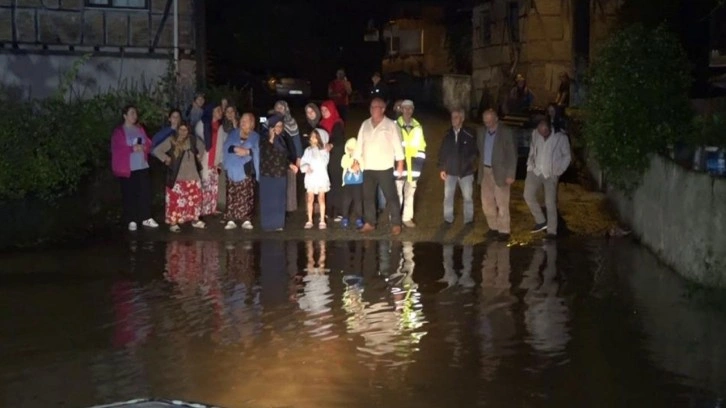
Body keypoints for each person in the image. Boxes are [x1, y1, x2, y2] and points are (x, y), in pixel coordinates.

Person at [353, 97, 405, 235]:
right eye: (371, 107)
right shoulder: (365, 124)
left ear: (382, 109)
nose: (372, 109)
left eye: (375, 107)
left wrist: (400, 164)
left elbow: (398, 145)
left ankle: (396, 223)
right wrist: (355, 161)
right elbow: (359, 144)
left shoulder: (390, 125)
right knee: (368, 197)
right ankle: (370, 222)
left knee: (391, 196)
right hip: (368, 167)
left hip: (385, 167)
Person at [111, 105, 159, 231]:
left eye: (135, 113)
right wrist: (131, 148)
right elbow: (118, 149)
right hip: (128, 168)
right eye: (132, 113)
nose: (134, 116)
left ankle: (146, 217)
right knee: (129, 193)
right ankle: (131, 219)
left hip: (142, 165)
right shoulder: (119, 132)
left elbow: (148, 143)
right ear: (125, 116)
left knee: (144, 192)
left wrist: (145, 147)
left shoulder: (140, 129)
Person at [152, 123, 207, 232]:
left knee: (194, 199)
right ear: (177, 130)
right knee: (175, 200)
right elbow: (157, 150)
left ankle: (195, 220)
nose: (183, 132)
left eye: (185, 129)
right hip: (177, 176)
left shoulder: (192, 139)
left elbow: (202, 146)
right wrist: (166, 159)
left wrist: (199, 155)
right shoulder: (171, 140)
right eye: (180, 129)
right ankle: (173, 222)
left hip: (193, 175)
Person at [524, 119, 571, 239]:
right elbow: (532, 149)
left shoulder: (560, 137)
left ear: (549, 129)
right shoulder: (536, 133)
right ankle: (540, 221)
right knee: (528, 195)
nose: (541, 134)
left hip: (550, 173)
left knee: (550, 202)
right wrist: (530, 165)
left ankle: (551, 231)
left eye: (543, 132)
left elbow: (567, 156)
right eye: (539, 132)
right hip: (535, 171)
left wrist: (559, 170)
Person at [477, 109, 517, 241]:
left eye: (489, 120)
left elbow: (512, 154)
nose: (486, 123)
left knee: (502, 203)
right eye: (485, 121)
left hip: (501, 172)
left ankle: (504, 231)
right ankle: (493, 227)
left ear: (496, 119)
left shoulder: (506, 132)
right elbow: (480, 151)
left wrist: (511, 173)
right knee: (487, 203)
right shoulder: (481, 132)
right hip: (485, 171)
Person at [437, 107, 478, 225]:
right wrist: (442, 168)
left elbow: (474, 153)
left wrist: (467, 166)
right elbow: (443, 152)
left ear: (462, 118)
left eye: (456, 117)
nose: (453, 120)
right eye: (452, 117)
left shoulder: (469, 134)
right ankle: (447, 218)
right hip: (450, 172)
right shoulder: (448, 134)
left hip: (466, 172)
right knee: (448, 197)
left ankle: (468, 220)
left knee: (468, 198)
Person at [259, 114, 298, 231]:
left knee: (279, 200)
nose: (279, 128)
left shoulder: (282, 139)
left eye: (281, 126)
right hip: (267, 174)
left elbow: (283, 156)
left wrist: (290, 164)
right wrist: (271, 139)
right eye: (276, 126)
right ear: (271, 127)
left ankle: (278, 223)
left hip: (280, 174)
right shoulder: (264, 138)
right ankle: (268, 224)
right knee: (268, 200)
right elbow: (265, 154)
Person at [223, 112, 260, 230]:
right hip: (233, 167)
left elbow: (258, 150)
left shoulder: (255, 136)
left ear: (251, 123)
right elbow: (226, 147)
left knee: (246, 194)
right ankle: (231, 218)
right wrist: (235, 148)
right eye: (242, 120)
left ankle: (246, 218)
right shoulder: (233, 134)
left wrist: (248, 152)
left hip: (246, 168)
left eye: (246, 120)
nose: (243, 122)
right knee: (232, 194)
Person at [395, 100, 426, 228]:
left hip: (413, 166)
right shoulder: (395, 125)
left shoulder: (418, 127)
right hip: (399, 164)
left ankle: (407, 218)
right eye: (405, 108)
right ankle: (396, 219)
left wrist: (419, 165)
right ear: (401, 110)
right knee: (397, 193)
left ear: (412, 110)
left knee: (410, 193)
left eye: (410, 109)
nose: (407, 111)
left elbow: (422, 147)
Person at [196, 106, 227, 217]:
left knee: (213, 184)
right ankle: (202, 208)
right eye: (217, 110)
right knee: (204, 183)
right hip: (205, 157)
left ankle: (211, 208)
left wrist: (220, 159)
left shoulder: (220, 127)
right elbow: (199, 141)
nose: (220, 112)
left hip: (215, 158)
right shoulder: (202, 124)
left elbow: (222, 143)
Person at [274, 100, 303, 213]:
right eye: (278, 107)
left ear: (286, 109)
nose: (280, 110)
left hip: (289, 156)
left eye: (282, 108)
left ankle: (287, 208)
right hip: (274, 158)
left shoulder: (291, 122)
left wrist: (299, 157)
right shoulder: (270, 120)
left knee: (289, 183)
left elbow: (297, 140)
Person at [319, 100, 346, 221]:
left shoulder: (337, 123)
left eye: (326, 110)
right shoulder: (321, 124)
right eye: (322, 110)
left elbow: (339, 139)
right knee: (327, 182)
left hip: (336, 156)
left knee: (336, 182)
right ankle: (328, 211)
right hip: (325, 158)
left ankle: (340, 211)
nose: (324, 112)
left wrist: (331, 145)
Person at [300, 128, 331, 230]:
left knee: (321, 198)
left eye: (315, 137)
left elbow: (323, 162)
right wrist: (305, 167)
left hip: (321, 177)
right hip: (311, 177)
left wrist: (317, 149)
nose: (312, 139)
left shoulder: (324, 151)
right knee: (310, 198)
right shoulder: (307, 150)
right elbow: (303, 162)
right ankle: (309, 220)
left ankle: (322, 220)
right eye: (311, 136)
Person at [340, 137, 364, 229]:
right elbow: (343, 164)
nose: (351, 151)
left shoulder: (360, 157)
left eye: (353, 149)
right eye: (349, 149)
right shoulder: (345, 157)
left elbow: (363, 166)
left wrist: (358, 167)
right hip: (347, 183)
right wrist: (351, 167)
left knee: (358, 202)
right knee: (346, 202)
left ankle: (359, 219)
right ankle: (345, 218)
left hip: (358, 183)